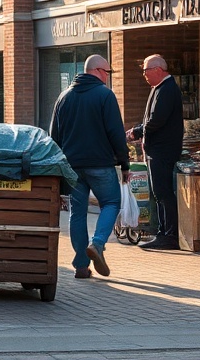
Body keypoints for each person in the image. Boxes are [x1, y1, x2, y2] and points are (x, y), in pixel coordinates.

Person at [49, 54, 130, 280]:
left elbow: (53, 136)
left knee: (77, 213)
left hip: (72, 166)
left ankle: (81, 267)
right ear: (96, 70)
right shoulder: (105, 96)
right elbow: (116, 133)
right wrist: (124, 163)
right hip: (100, 164)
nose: (108, 77)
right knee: (112, 202)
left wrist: (59, 167)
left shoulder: (63, 97)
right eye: (107, 72)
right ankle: (98, 243)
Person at [127, 54, 184, 250]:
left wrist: (136, 132)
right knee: (159, 192)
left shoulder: (167, 89)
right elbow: (152, 119)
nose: (144, 74)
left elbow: (156, 120)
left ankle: (169, 235)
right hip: (156, 149)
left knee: (163, 192)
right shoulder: (160, 88)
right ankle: (163, 232)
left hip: (162, 150)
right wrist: (138, 131)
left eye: (146, 70)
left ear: (158, 70)